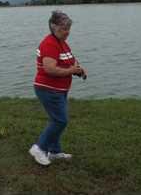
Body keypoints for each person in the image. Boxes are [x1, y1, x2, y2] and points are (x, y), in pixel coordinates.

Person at [29, 10, 86, 166]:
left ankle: (54, 151)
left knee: (57, 119)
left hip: (59, 90)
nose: (67, 32)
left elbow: (70, 61)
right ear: (53, 27)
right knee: (60, 121)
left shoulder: (62, 42)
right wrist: (71, 71)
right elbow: (50, 69)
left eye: (68, 28)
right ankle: (39, 148)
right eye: (63, 28)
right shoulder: (49, 44)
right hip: (48, 89)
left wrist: (79, 70)